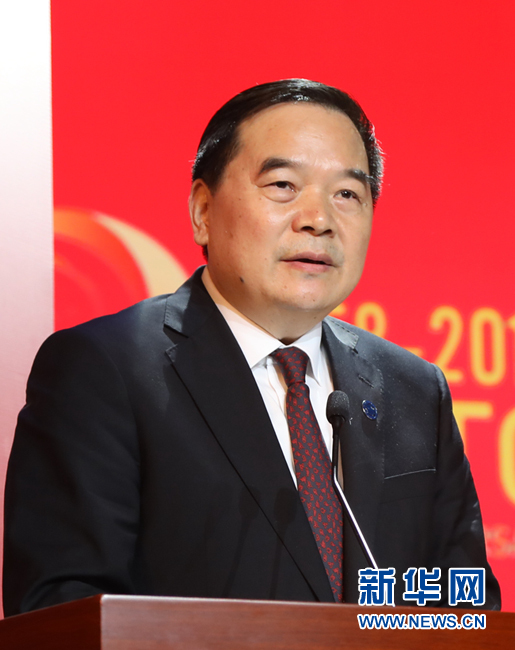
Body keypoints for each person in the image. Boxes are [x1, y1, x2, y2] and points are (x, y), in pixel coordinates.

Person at [3, 79, 500, 615]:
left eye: (347, 195)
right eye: (283, 185)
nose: (318, 220)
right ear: (203, 211)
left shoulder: (414, 390)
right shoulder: (104, 371)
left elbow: (467, 611)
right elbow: (63, 612)